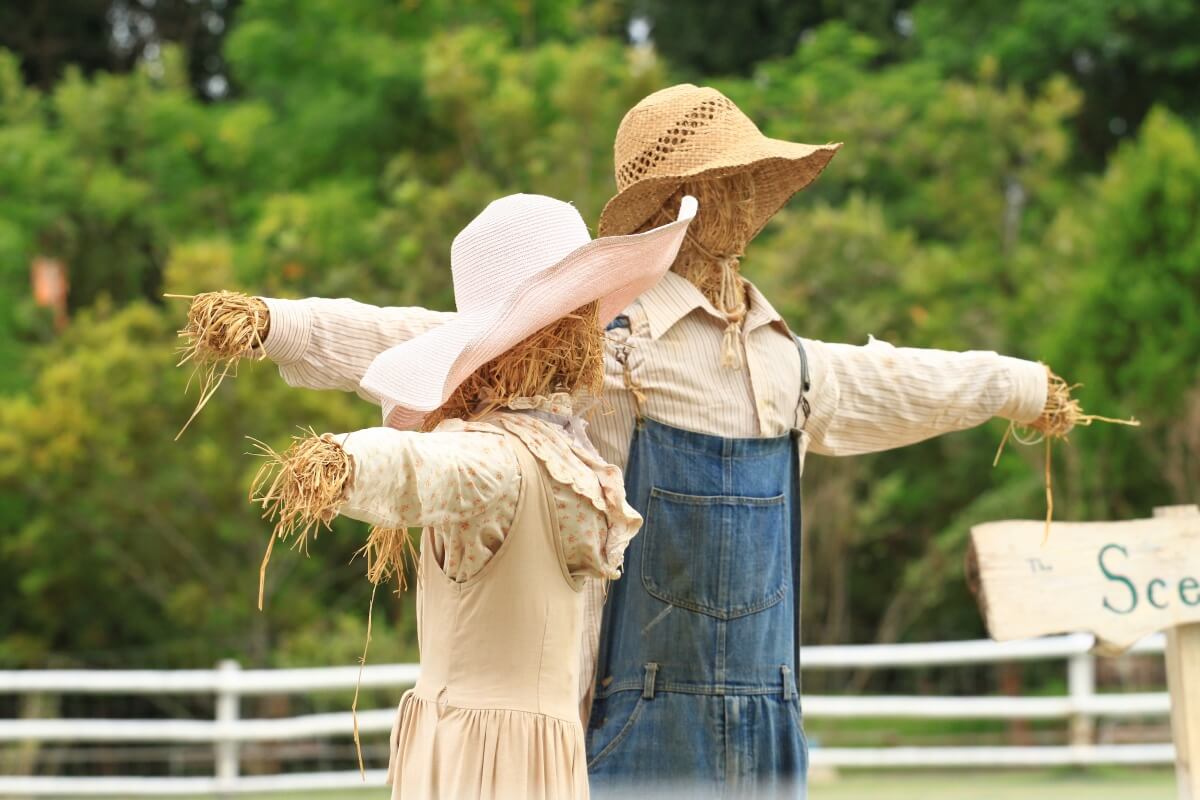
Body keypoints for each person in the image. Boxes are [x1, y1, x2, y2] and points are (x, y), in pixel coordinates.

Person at [188, 84, 1083, 798]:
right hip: (634, 721)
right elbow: (432, 333)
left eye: (751, 180)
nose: (745, 198)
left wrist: (1017, 386)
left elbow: (898, 381)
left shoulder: (792, 366)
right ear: (678, 203)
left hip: (773, 718)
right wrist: (277, 325)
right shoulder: (607, 348)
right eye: (724, 181)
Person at [233, 192, 696, 800]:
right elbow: (424, 468)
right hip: (488, 762)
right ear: (555, 334)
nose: (596, 325)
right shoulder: (498, 455)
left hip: (519, 747)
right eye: (581, 311)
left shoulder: (555, 449)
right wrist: (343, 461)